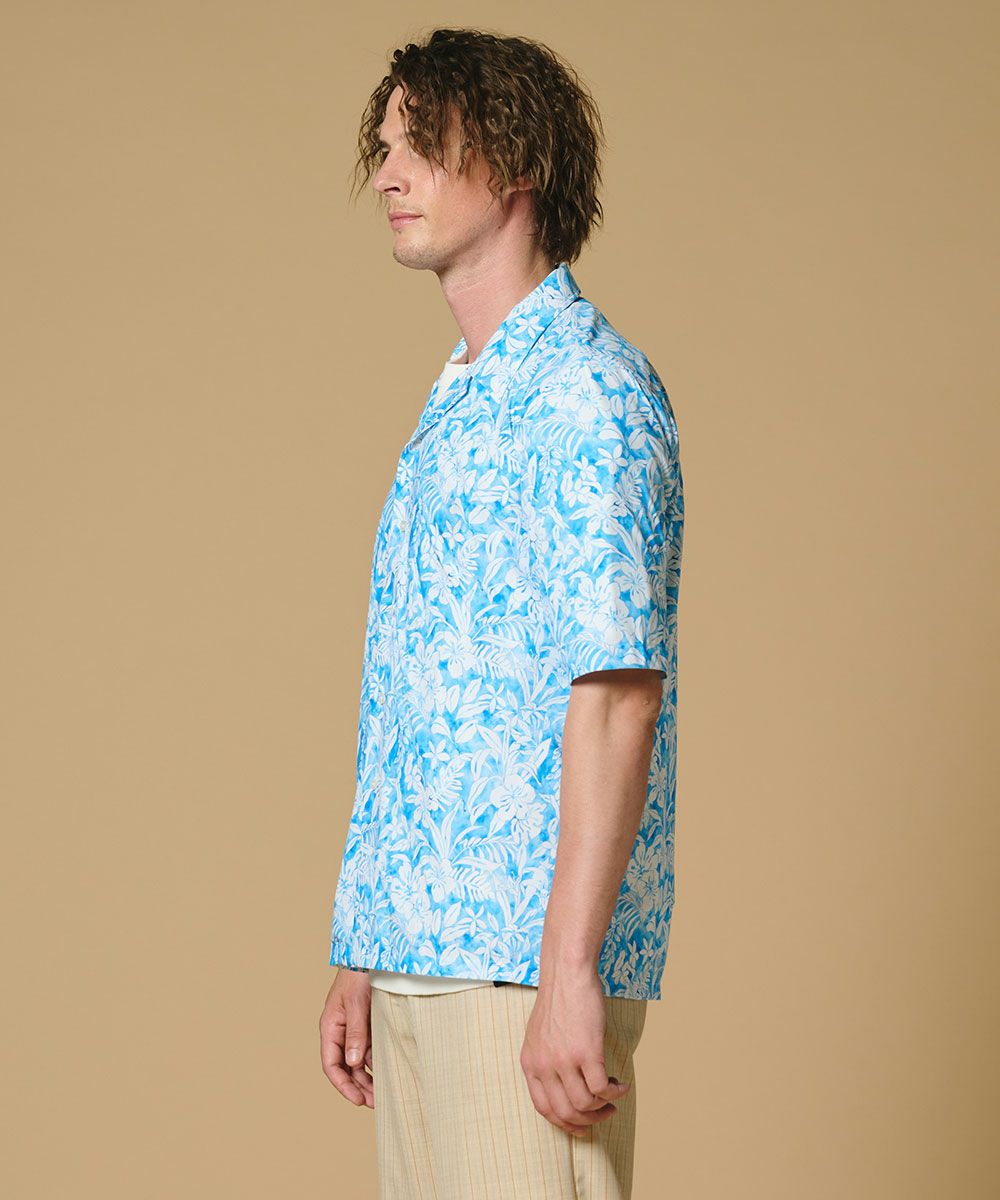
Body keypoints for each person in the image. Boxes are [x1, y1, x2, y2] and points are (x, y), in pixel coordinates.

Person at [318, 27, 684, 1200]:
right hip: (421, 955)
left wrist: (568, 970)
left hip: (518, 968)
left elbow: (615, 693)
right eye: (384, 147)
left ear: (514, 161)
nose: (387, 175)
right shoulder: (462, 401)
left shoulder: (586, 392)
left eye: (418, 145)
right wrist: (365, 945)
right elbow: (425, 695)